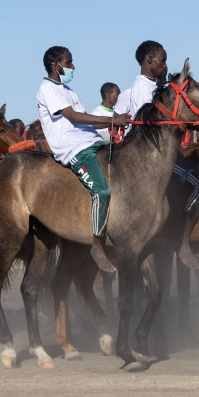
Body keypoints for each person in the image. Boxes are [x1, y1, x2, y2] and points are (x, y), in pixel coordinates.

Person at [36, 46, 130, 274]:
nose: (73, 67)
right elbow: (74, 117)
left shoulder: (69, 91)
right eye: (69, 63)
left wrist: (115, 120)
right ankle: (97, 246)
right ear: (55, 65)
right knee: (102, 192)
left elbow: (87, 122)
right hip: (73, 148)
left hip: (92, 141)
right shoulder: (47, 89)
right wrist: (111, 121)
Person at [114, 40, 199, 271]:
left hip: (153, 153)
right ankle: (183, 244)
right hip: (149, 157)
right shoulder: (143, 87)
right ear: (149, 60)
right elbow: (155, 124)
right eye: (162, 60)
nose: (165, 65)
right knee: (196, 186)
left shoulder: (150, 85)